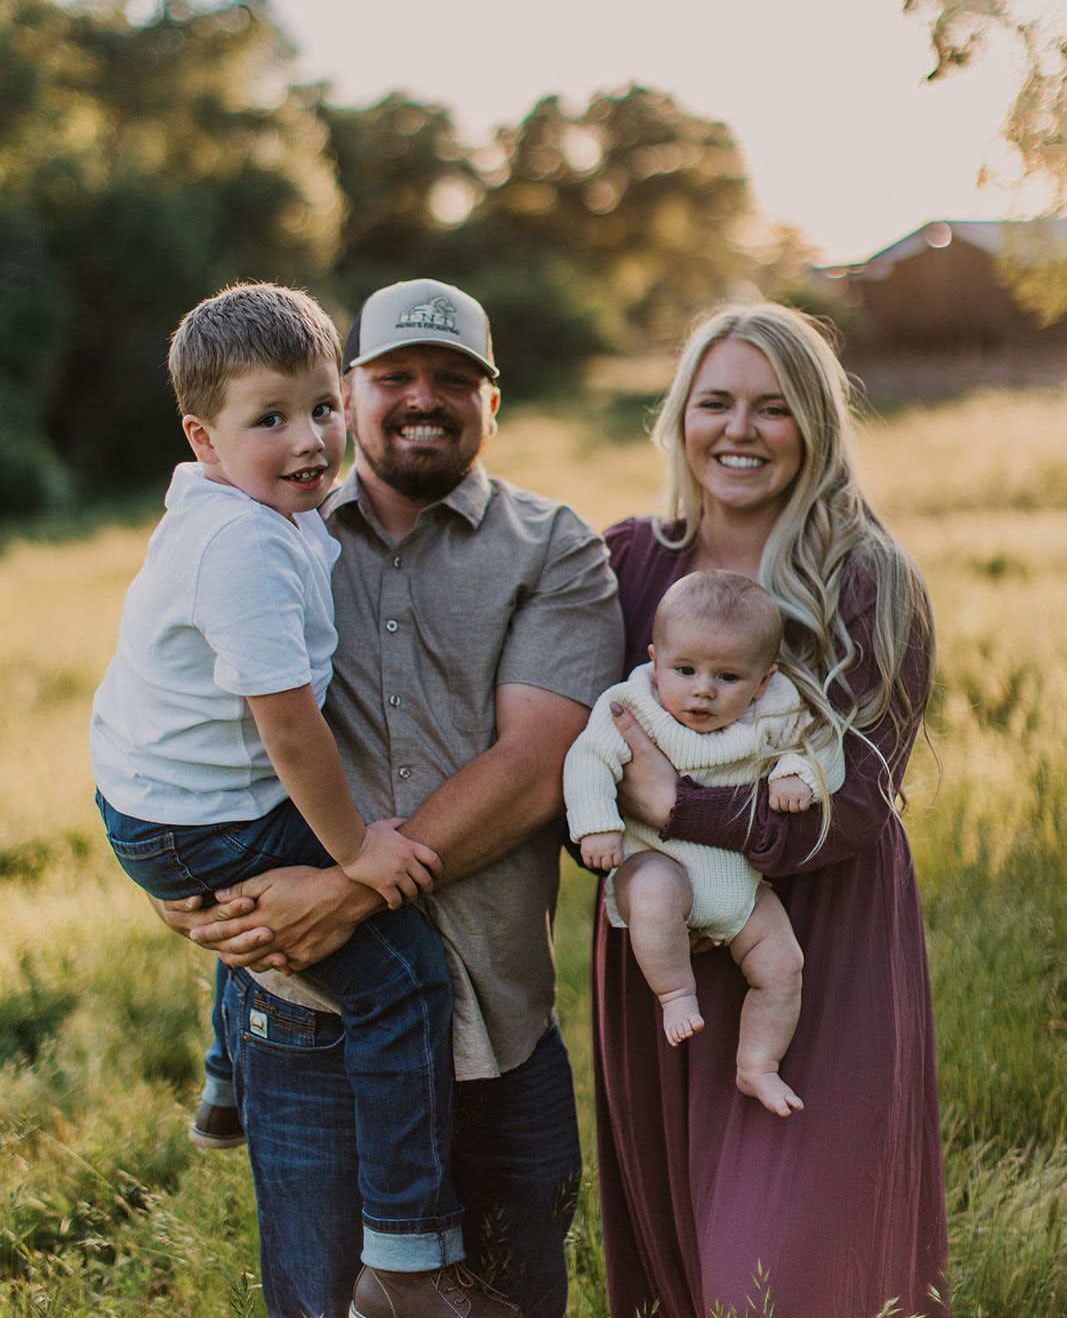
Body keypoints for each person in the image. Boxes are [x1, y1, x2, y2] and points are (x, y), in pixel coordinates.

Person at [154, 277, 625, 1318]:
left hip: (499, 1022)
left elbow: (535, 761)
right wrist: (168, 882)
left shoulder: (553, 548)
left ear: (491, 402)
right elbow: (169, 704)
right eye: (394, 376)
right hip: (310, 1020)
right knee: (325, 1305)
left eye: (454, 379)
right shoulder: (260, 530)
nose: (424, 396)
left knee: (513, 1302)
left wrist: (348, 890)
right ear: (351, 391)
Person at [90, 282, 503, 1309]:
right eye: (268, 418)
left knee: (282, 905)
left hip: (160, 794)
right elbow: (288, 729)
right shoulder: (241, 547)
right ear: (204, 436)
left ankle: (229, 1072)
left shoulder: (244, 509)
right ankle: (407, 1254)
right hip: (198, 812)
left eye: (321, 406)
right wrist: (360, 852)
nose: (310, 437)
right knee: (403, 978)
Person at [594, 302, 949, 1317]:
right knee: (689, 1272)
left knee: (784, 1281)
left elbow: (856, 808)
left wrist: (680, 801)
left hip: (821, 949)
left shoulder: (864, 579)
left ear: (815, 425)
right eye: (714, 402)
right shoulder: (621, 562)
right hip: (661, 951)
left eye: (772, 406)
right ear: (678, 417)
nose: (737, 430)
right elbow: (558, 753)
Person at [564, 570, 844, 1114]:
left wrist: (798, 775)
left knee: (783, 965)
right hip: (656, 863)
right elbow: (589, 759)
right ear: (654, 658)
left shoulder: (776, 708)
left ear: (764, 680)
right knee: (657, 894)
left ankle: (757, 1064)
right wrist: (596, 823)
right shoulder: (631, 705)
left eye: (729, 677)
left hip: (738, 884)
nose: (703, 690)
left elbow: (822, 742)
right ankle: (676, 994)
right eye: (685, 670)